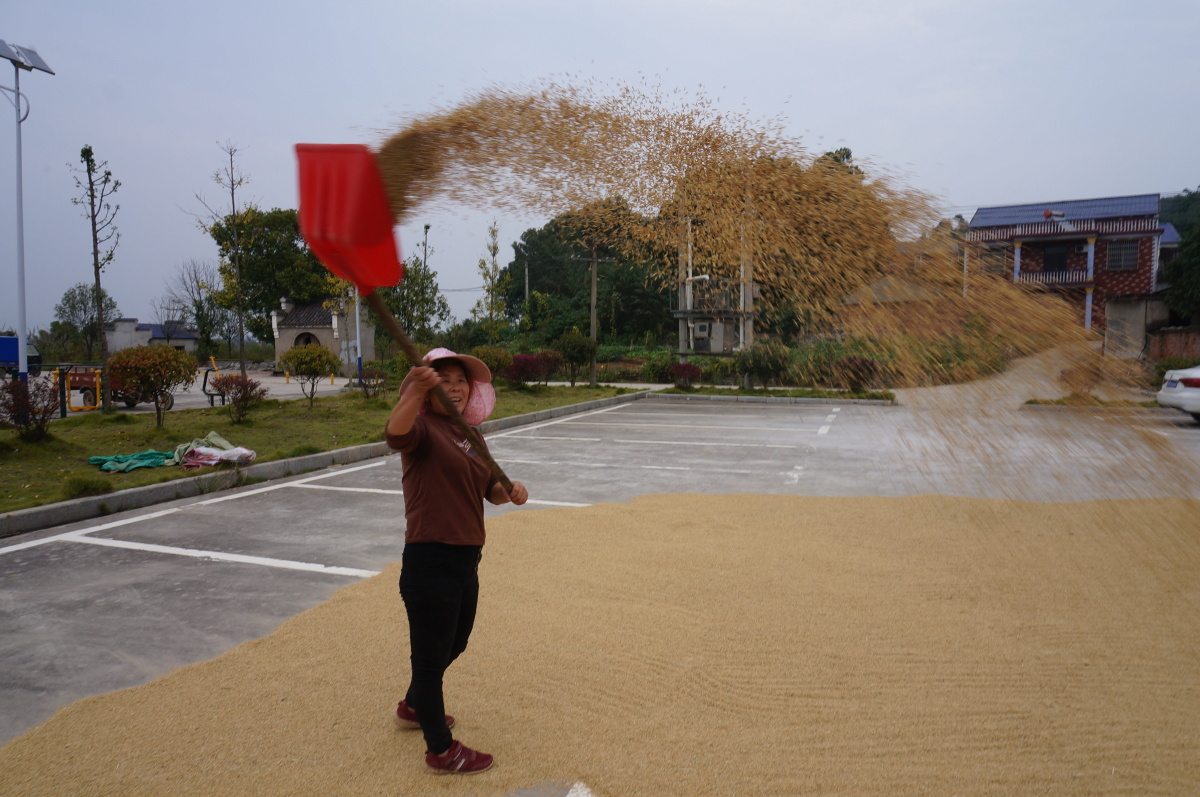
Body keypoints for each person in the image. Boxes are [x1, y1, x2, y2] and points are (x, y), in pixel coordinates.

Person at [384, 347, 528, 775]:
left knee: (456, 642)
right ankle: (441, 750)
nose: (455, 386)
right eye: (444, 378)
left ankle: (415, 703)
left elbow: (490, 490)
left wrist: (512, 491)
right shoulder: (423, 428)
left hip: (466, 559)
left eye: (461, 380)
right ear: (430, 388)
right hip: (431, 560)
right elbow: (394, 434)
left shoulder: (471, 435)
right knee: (429, 660)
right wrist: (413, 392)